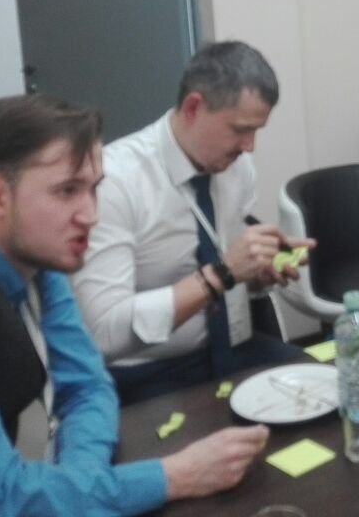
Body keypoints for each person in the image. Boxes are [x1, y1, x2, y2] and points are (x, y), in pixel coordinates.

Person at [0, 94, 270, 516]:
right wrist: (172, 477)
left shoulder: (38, 260)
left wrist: (81, 483)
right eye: (66, 191)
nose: (91, 214)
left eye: (94, 189)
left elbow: (88, 387)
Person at [73, 40, 315, 405]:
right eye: (240, 129)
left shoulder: (236, 168)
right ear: (193, 108)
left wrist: (256, 274)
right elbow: (103, 332)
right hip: (147, 371)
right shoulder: (116, 183)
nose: (249, 146)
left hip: (232, 351)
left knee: (329, 391)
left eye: (256, 131)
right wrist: (222, 275)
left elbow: (223, 261)